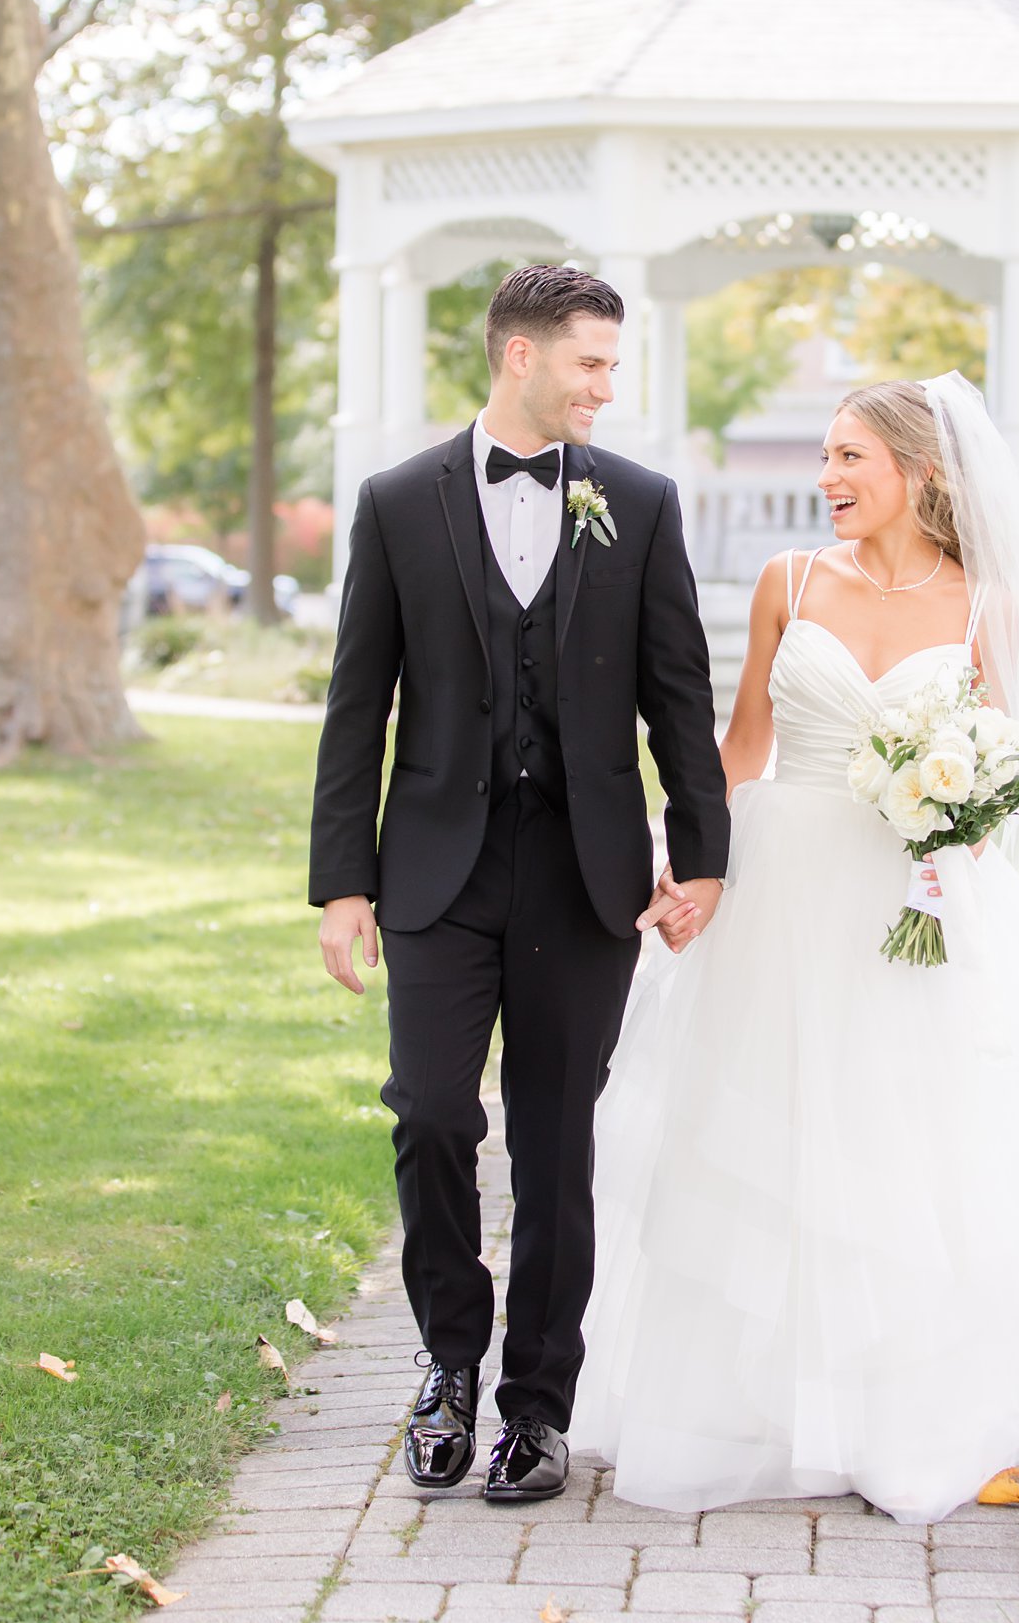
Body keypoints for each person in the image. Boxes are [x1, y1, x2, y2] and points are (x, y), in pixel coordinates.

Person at [570, 372, 1019, 1523]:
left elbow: (1012, 771)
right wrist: (692, 863)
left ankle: (905, 1411)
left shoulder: (982, 608)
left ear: (919, 473)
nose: (827, 480)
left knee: (905, 1144)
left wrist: (951, 811)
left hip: (921, 898)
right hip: (780, 888)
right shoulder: (786, 582)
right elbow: (740, 742)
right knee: (771, 1132)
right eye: (822, 457)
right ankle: (764, 1407)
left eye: (849, 458)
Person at [309, 264, 728, 1505]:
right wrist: (343, 883)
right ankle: (446, 1364)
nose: (609, 386)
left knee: (555, 1146)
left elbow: (678, 695)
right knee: (432, 1113)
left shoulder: (637, 505)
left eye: (610, 364)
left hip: (585, 880)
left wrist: (699, 855)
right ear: (519, 359)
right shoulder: (396, 503)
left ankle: (537, 1406)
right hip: (433, 875)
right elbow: (356, 705)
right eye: (591, 363)